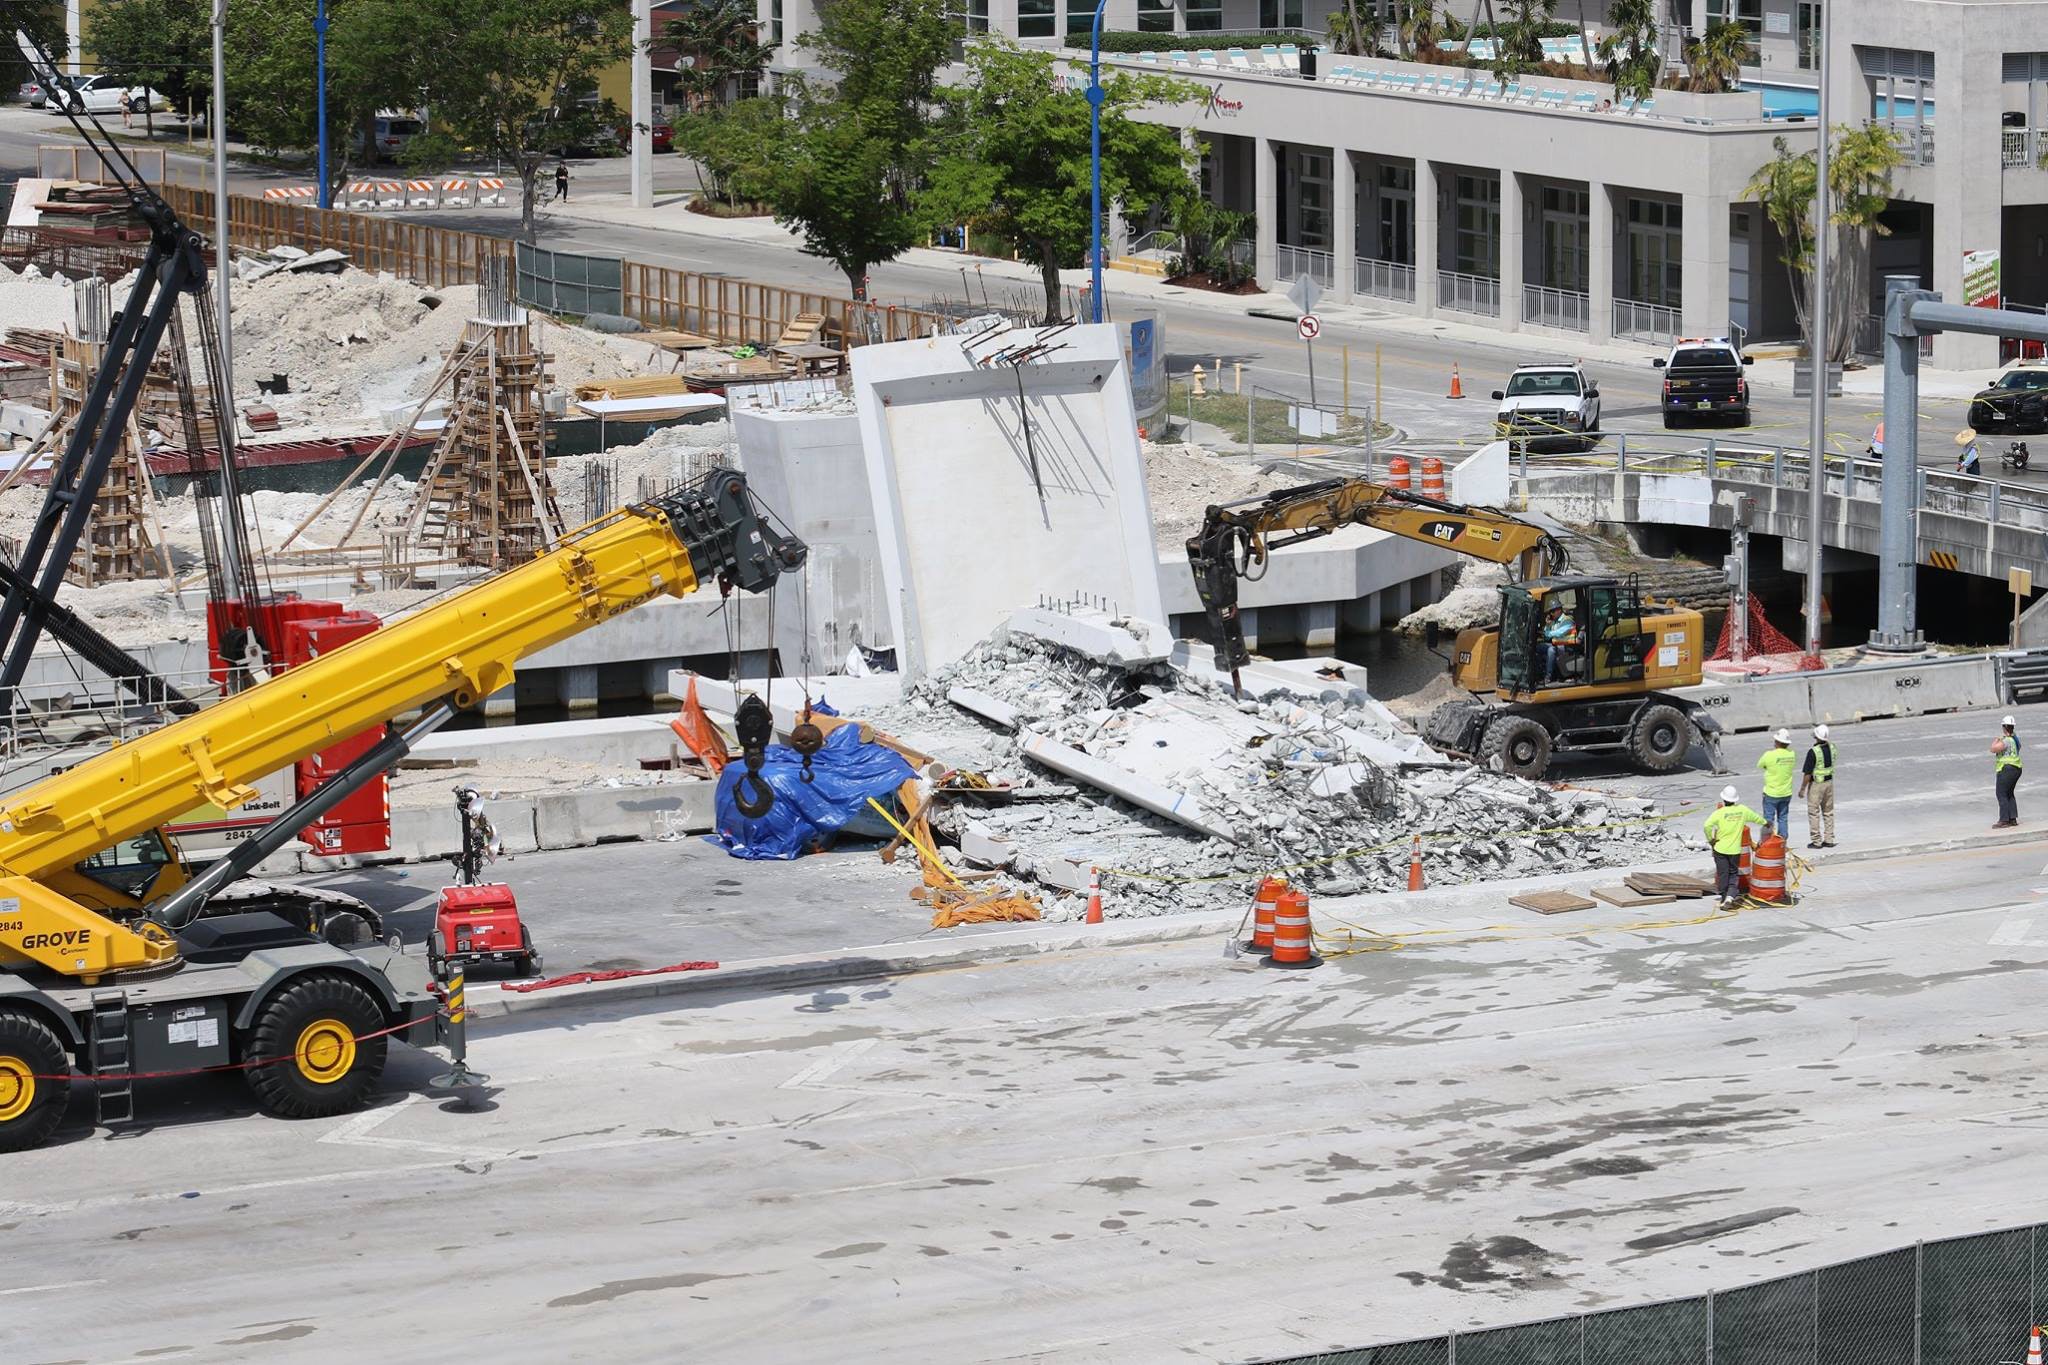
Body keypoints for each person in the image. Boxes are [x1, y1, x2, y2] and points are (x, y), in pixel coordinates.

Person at [1703, 786, 1766, 910]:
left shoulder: (1719, 813)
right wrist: (1766, 823)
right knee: (1733, 874)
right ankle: (1730, 897)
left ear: (1723, 799)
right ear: (1735, 799)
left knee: (1723, 874)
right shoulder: (1742, 810)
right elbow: (1756, 818)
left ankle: (1723, 897)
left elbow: (1707, 826)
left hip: (1720, 849)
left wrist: (1711, 840)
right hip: (1735, 851)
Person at [1799, 723, 1835, 848]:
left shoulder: (1813, 752)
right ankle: (1829, 839)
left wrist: (1803, 789)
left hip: (1816, 785)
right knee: (1828, 811)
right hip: (1829, 783)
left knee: (1814, 812)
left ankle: (1816, 841)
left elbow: (1807, 773)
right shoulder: (1832, 748)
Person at [1757, 727, 1796, 839]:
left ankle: (1767, 841)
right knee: (1783, 818)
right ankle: (1782, 841)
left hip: (1771, 793)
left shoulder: (1769, 755)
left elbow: (1760, 765)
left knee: (1768, 819)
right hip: (1786, 793)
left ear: (1777, 742)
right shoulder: (1791, 754)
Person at [1991, 715, 2023, 828]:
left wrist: (1995, 741)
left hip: (2007, 769)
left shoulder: (2007, 740)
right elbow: (2019, 747)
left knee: (2001, 793)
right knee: (2009, 793)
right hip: (2016, 768)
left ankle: (2004, 820)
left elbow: (1993, 749)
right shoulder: (2015, 739)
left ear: (2004, 726)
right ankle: (2012, 818)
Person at [1541, 602, 1579, 684]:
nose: (1551, 614)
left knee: (1551, 650)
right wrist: (1547, 625)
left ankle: (1548, 676)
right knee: (1537, 647)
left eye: (1552, 611)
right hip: (1557, 645)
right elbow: (1547, 637)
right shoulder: (1554, 622)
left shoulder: (1567, 620)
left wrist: (1547, 633)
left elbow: (1558, 633)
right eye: (1550, 612)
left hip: (1567, 647)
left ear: (1558, 610)